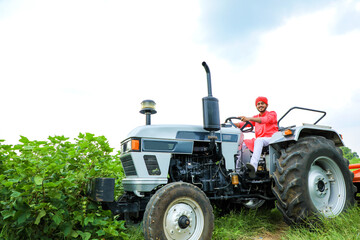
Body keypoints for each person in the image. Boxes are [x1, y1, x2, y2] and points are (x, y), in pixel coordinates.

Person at [235, 96, 278, 178]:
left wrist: (248, 118)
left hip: (272, 138)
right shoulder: (255, 117)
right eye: (258, 104)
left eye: (262, 103)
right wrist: (232, 124)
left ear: (266, 105)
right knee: (242, 143)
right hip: (260, 139)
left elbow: (265, 120)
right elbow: (244, 124)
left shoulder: (272, 114)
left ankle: (253, 167)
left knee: (258, 140)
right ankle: (237, 170)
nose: (260, 105)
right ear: (256, 106)